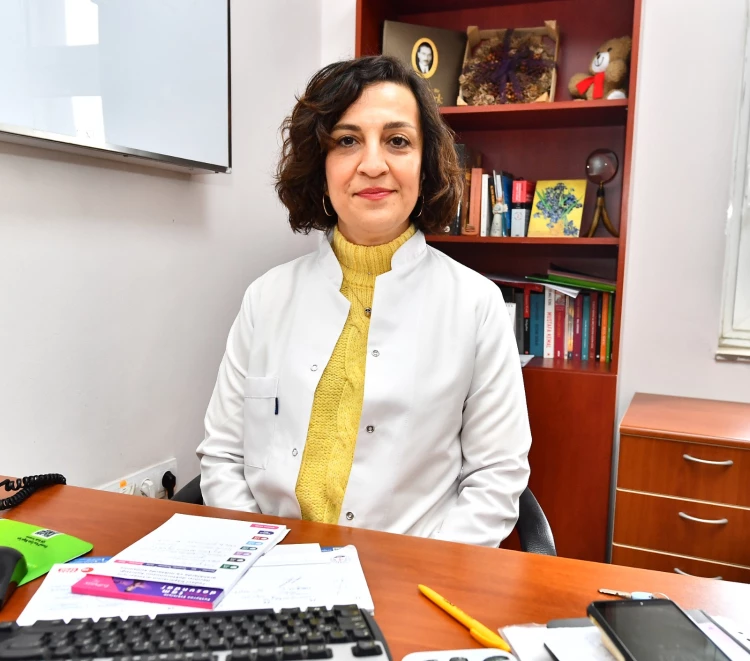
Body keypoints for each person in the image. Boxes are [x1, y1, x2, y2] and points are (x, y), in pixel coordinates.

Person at [197, 55, 531, 547]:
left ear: (425, 165)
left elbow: (496, 478)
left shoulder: (476, 305)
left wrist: (422, 573)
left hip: (409, 568)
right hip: (268, 561)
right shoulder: (266, 296)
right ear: (321, 166)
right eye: (347, 141)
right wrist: (255, 554)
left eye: (397, 141)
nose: (373, 165)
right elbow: (224, 456)